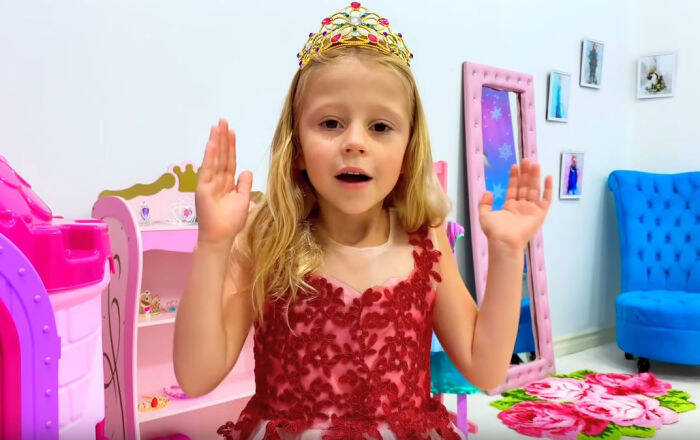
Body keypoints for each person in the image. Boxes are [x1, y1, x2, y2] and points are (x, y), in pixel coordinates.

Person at [173, 3, 553, 439]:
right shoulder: (266, 237)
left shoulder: (425, 240)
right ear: (297, 148)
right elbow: (196, 377)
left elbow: (485, 369)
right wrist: (213, 243)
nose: (354, 142)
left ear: (408, 150)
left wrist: (507, 253)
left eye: (380, 127)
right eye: (331, 122)